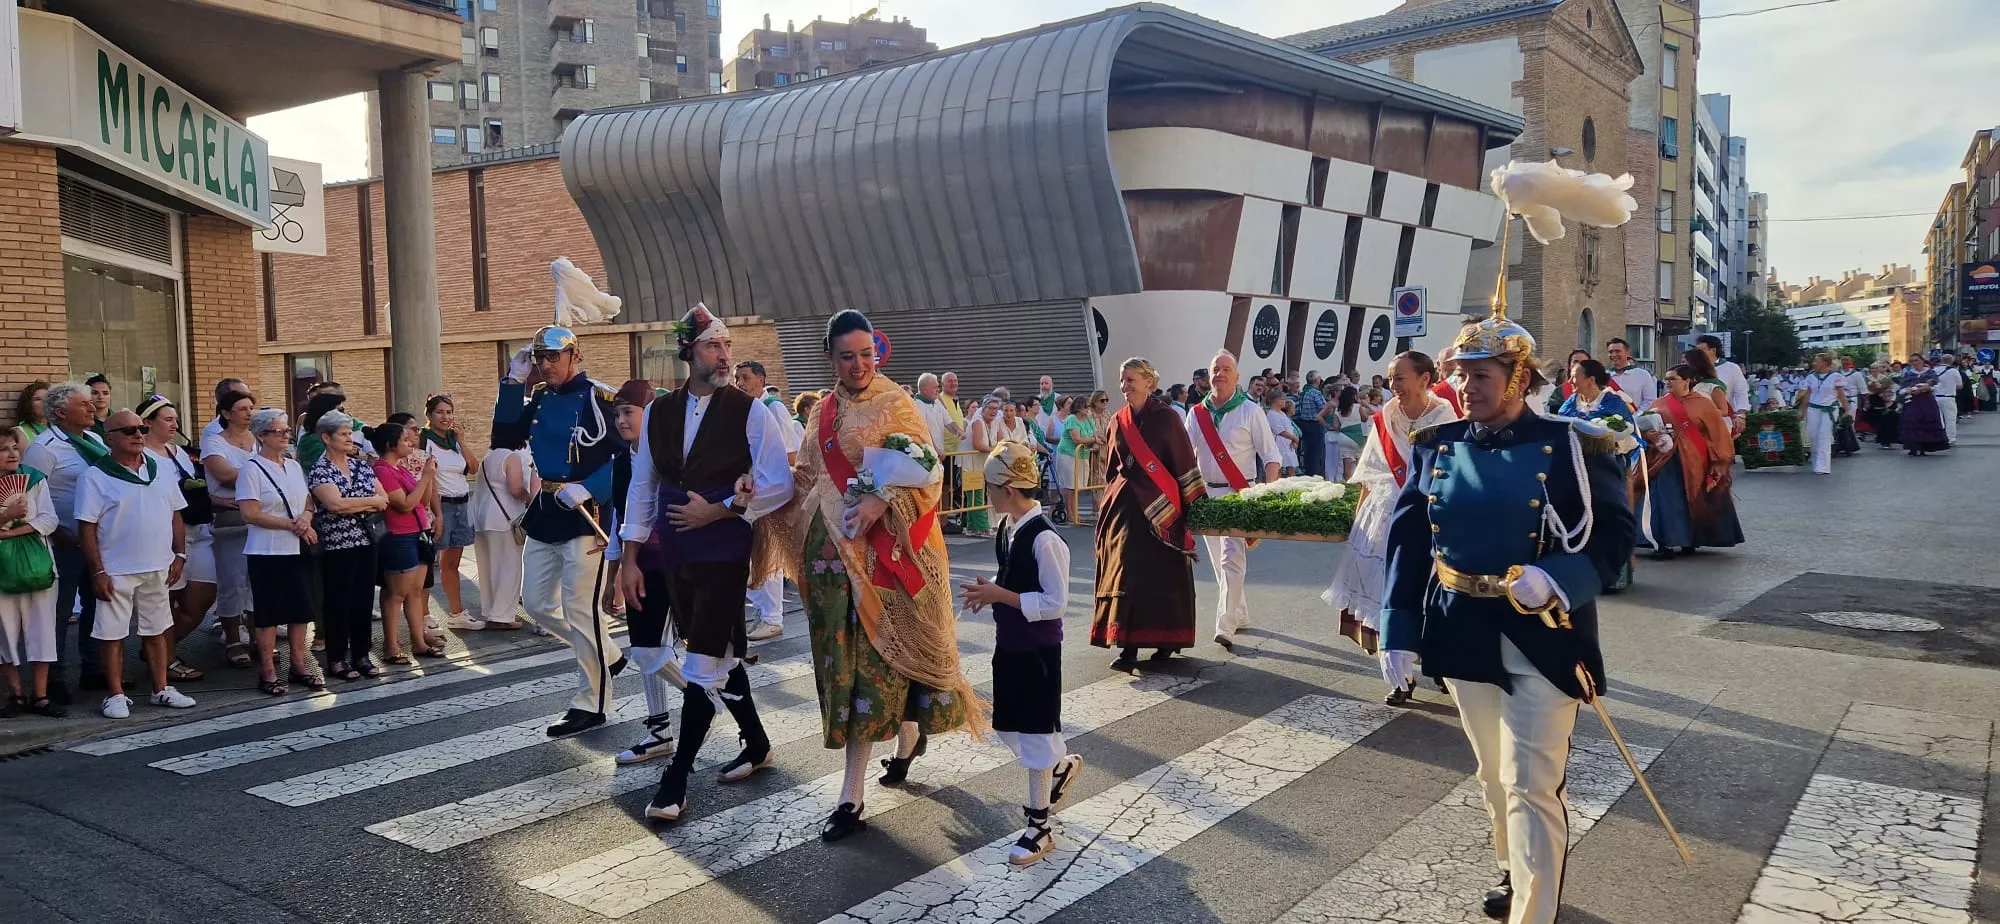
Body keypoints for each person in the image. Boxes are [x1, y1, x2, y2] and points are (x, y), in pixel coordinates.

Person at [1378, 308, 1636, 924]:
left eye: (1481, 375)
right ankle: (1513, 867)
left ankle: (1533, 912)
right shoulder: (1438, 445)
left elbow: (1614, 533)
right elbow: (1410, 538)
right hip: (1462, 626)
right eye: (1460, 374)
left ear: (1519, 378)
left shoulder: (1574, 444)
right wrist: (1397, 628)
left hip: (1541, 632)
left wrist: (1561, 579)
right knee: (1493, 772)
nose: (1466, 387)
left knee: (1531, 782)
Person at [761, 308, 984, 842]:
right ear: (830, 358)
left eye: (866, 354)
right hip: (831, 566)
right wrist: (761, 491)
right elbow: (807, 478)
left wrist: (883, 501)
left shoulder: (896, 402)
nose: (859, 365)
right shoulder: (821, 412)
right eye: (847, 356)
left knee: (881, 664)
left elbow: (928, 475)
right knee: (849, 669)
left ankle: (852, 793)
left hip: (886, 559)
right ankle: (898, 750)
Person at [623, 307, 794, 821]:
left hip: (724, 549)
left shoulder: (751, 410)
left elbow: (779, 482)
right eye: (713, 346)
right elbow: (642, 486)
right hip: (675, 552)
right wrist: (629, 558)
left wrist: (720, 509)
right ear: (689, 352)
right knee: (720, 652)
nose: (724, 356)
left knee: (701, 663)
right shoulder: (659, 412)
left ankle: (674, 782)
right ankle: (757, 743)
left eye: (727, 346)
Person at [493, 324, 629, 737]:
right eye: (540, 358)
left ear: (575, 356)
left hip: (586, 513)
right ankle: (608, 654)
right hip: (548, 509)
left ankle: (592, 702)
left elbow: (629, 455)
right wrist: (513, 382)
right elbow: (504, 437)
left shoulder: (600, 399)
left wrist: (592, 487)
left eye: (554, 356)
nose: (546, 364)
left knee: (580, 610)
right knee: (536, 603)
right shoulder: (539, 397)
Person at [959, 440, 1087, 865]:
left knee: (1034, 735)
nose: (987, 495)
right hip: (1010, 643)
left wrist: (1002, 595)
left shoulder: (1046, 539)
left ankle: (1038, 828)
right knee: (1008, 726)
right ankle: (1059, 766)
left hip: (1038, 651)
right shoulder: (1008, 528)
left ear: (1009, 489)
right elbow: (1011, 578)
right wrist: (992, 591)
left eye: (991, 488)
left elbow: (1055, 602)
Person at [1328, 351, 1459, 704]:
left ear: (1425, 379)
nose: (1393, 385)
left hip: (1430, 515)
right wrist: (1357, 519)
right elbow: (1369, 471)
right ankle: (1401, 677)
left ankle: (1438, 663)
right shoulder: (1386, 416)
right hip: (1386, 514)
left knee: (1433, 594)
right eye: (1390, 378)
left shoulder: (1446, 417)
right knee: (1388, 593)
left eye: (1400, 378)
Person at [76, 409, 198, 717]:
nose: (138, 435)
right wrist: (98, 570)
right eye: (129, 431)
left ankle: (161, 689)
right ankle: (115, 695)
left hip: (158, 565)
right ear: (110, 438)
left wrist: (179, 554)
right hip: (116, 568)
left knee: (157, 630)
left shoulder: (160, 469)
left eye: (141, 429)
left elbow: (175, 514)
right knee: (112, 634)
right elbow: (86, 527)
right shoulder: (95, 477)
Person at [1090, 358, 1200, 671]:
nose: (1124, 386)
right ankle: (1128, 646)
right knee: (1125, 572)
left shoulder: (1167, 418)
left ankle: (1168, 639)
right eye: (1122, 380)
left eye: (1130, 380)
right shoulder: (1117, 420)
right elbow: (1112, 467)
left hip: (1160, 510)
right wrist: (1108, 502)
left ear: (1148, 382)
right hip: (1124, 510)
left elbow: (1183, 463)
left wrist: (1190, 507)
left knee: (1163, 575)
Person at [602, 381, 675, 764]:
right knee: (646, 649)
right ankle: (660, 732)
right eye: (617, 414)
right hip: (638, 566)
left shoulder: (668, 457)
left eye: (628, 412)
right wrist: (611, 578)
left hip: (672, 563)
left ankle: (706, 702)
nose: (621, 420)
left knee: (656, 651)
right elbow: (620, 520)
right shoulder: (620, 461)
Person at [1185, 350, 1279, 650]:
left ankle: (1225, 623)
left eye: (1226, 369)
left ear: (1237, 377)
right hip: (1205, 494)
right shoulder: (1196, 413)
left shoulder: (1250, 411)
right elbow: (1185, 456)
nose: (1220, 374)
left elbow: (1271, 456)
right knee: (1218, 561)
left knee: (1231, 557)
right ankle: (1240, 611)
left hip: (1239, 493)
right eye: (1216, 369)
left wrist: (1265, 496)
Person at [23, 382, 107, 704]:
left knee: (97, 606)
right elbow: (29, 497)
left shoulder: (95, 441)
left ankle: (94, 669)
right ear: (60, 412)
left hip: (96, 541)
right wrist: (58, 533)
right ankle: (54, 679)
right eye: (83, 404)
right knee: (58, 614)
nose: (91, 407)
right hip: (63, 543)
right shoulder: (43, 448)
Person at [237, 409, 321, 695]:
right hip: (267, 550)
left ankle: (299, 664)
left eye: (287, 430)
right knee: (269, 612)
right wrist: (291, 524)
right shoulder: (252, 469)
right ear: (261, 436)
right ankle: (268, 671)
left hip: (298, 548)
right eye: (279, 431)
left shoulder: (293, 466)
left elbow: (307, 502)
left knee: (301, 609)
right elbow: (250, 513)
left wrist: (305, 518)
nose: (286, 435)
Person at [138, 397, 215, 684]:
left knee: (204, 595)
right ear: (148, 423)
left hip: (198, 532)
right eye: (167, 419)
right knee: (165, 603)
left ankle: (155, 650)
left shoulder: (180, 452)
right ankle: (166, 659)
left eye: (175, 419)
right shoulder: (143, 457)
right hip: (167, 537)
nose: (174, 424)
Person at [307, 412, 388, 681]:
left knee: (363, 599)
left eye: (349, 433)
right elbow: (334, 505)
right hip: (337, 545)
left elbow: (383, 499)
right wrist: (368, 502)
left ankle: (362, 655)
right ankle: (337, 657)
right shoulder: (320, 470)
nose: (349, 438)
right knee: (338, 601)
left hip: (367, 540)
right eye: (343, 434)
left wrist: (356, 503)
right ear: (326, 438)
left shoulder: (361, 466)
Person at [1644, 366, 1744, 552]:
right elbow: (1645, 427)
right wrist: (1650, 435)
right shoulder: (1659, 403)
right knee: (1665, 500)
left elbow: (1718, 433)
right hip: (1665, 460)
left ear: (1686, 381)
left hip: (1696, 461)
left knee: (1693, 500)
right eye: (1666, 379)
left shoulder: (1704, 404)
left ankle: (1690, 540)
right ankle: (1663, 542)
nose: (1667, 382)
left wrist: (1719, 461)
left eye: (1672, 379)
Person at [739, 361, 804, 643]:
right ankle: (763, 612)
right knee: (755, 553)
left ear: (761, 380)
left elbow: (789, 453)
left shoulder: (773, 407)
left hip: (769, 491)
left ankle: (772, 617)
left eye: (745, 377)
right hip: (753, 488)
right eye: (737, 378)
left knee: (768, 553)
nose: (740, 383)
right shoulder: (748, 408)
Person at [0, 428, 63, 717]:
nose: (12, 453)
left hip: (38, 563)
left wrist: (12, 531)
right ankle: (16, 694)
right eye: (4, 449)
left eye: (15, 447)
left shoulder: (34, 480)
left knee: (42, 629)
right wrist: (7, 516)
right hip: (2, 569)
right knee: (4, 631)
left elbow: (50, 520)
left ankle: (40, 695)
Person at [369, 421, 439, 663]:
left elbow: (422, 501)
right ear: (391, 445)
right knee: (396, 593)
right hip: (399, 535)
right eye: (405, 440)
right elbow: (405, 504)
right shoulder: (383, 470)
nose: (410, 443)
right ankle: (390, 645)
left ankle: (418, 642)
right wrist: (425, 478)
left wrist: (428, 478)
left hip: (418, 532)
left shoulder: (400, 468)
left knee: (416, 591)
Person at [201, 389, 258, 670]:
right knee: (232, 582)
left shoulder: (258, 439)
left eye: (251, 408)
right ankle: (233, 639)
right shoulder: (215, 442)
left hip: (261, 520)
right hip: (230, 521)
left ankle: (258, 637)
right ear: (226, 413)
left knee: (257, 582)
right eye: (242, 408)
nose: (249, 413)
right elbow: (223, 474)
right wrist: (262, 474)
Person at [420, 395, 482, 631]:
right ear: (429, 414)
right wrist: (435, 512)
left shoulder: (453, 439)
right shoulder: (424, 439)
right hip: (440, 505)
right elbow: (423, 476)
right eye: (440, 412)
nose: (445, 417)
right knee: (426, 564)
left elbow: (473, 468)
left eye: (449, 412)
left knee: (452, 563)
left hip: (461, 504)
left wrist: (462, 442)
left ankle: (457, 613)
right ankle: (423, 616)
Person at [471, 426, 533, 632]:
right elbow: (516, 488)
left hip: (482, 518)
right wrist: (529, 498)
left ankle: (490, 610)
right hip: (505, 518)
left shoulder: (487, 457)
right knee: (509, 567)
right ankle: (503, 615)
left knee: (488, 567)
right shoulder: (511, 457)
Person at [1797, 354, 1850, 476]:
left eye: (1817, 361)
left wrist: (1847, 411)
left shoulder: (1836, 377)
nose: (1814, 363)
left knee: (1824, 435)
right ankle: (1816, 461)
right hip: (1813, 408)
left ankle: (1823, 466)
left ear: (1825, 363)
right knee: (1813, 435)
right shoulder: (1811, 377)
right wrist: (1802, 411)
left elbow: (1841, 395)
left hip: (1829, 408)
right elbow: (1807, 395)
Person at [1055, 394, 1101, 523]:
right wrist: (1093, 440)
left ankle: (1075, 513)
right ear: (1078, 407)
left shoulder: (1089, 420)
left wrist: (1096, 442)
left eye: (1089, 407)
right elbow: (1077, 439)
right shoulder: (1072, 419)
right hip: (1068, 454)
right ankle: (1070, 513)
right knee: (1070, 485)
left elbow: (1095, 435)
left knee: (1078, 485)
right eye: (1085, 407)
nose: (1088, 409)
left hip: (1082, 455)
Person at [962, 396, 1002, 537]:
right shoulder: (977, 422)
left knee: (976, 494)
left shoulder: (996, 422)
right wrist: (995, 450)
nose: (993, 411)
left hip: (984, 463)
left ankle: (972, 527)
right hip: (971, 462)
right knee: (976, 494)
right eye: (990, 408)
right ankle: (983, 527)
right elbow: (978, 444)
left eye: (996, 409)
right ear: (983, 409)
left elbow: (1002, 440)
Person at [1695, 334, 1750, 435]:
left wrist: (1741, 415)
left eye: (1702, 350)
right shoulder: (1693, 369)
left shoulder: (1731, 368)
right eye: (1696, 350)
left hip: (1724, 419)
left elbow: (1741, 392)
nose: (1697, 354)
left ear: (1713, 350)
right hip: (1698, 420)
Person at [1896, 356, 1951, 456]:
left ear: (1922, 361)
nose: (1914, 363)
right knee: (1912, 422)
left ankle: (1925, 446)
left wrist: (1926, 388)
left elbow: (1938, 385)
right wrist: (1909, 390)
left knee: (1926, 421)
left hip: (1926, 401)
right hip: (1912, 400)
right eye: (1912, 361)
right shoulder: (1908, 374)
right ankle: (1913, 446)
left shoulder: (1930, 372)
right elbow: (1902, 388)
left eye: (1916, 360)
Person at [1327, 385, 1368, 480]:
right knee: (1358, 460)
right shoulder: (1357, 407)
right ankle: (1359, 481)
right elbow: (1365, 418)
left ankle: (1348, 481)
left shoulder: (1338, 409)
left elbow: (1336, 426)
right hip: (1357, 437)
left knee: (1346, 462)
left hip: (1343, 437)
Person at [1604, 338, 1656, 408]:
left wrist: (1636, 414)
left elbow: (1650, 401)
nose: (1613, 355)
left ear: (1627, 353)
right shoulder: (1603, 376)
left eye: (1617, 351)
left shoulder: (1642, 374)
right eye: (1610, 352)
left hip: (1636, 414)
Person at [1932, 354, 1964, 445]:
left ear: (1941, 360)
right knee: (1950, 419)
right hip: (1949, 398)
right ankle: (1950, 438)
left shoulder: (1934, 370)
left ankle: (1938, 437)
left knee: (1938, 419)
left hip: (1935, 397)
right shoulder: (1954, 371)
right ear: (1951, 361)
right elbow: (1960, 386)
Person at [1267, 395, 1301, 476]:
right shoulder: (1272, 414)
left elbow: (1289, 428)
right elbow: (1280, 431)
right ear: (1276, 400)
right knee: (1279, 470)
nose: (1285, 401)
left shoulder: (1282, 413)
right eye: (1283, 399)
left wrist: (1294, 440)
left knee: (1292, 469)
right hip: (1280, 444)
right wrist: (1294, 438)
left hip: (1288, 445)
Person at [12, 382, 49, 448]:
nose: (44, 402)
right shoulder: (19, 432)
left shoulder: (59, 428)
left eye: (47, 398)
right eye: (38, 399)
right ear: (28, 404)